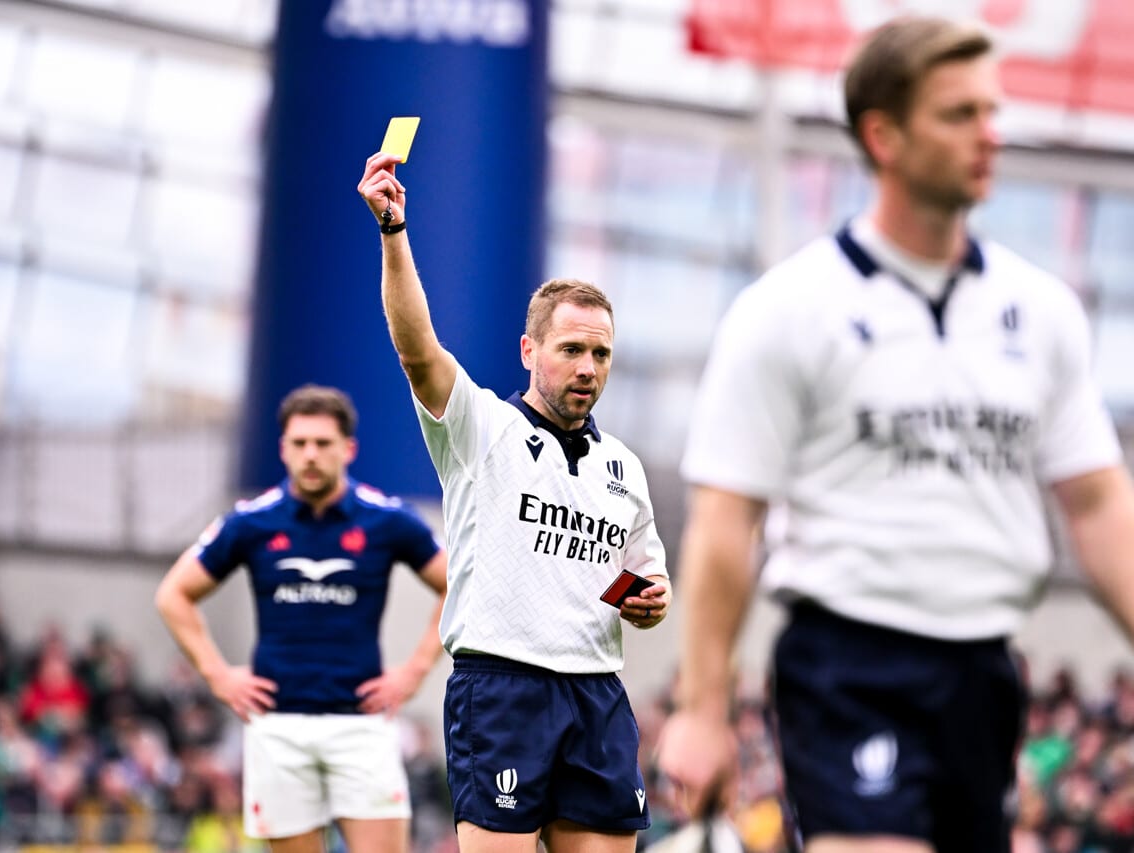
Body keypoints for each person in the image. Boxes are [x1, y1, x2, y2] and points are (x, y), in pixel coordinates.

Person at [657, 15, 1134, 853]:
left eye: (991, 110)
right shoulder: (788, 310)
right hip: (848, 666)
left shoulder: (1042, 312)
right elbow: (726, 521)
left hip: (986, 672)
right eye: (959, 114)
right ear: (884, 136)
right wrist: (703, 708)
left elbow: (1097, 506)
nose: (990, 134)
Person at [357, 151, 672, 853]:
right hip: (502, 689)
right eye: (571, 349)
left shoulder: (623, 466)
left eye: (601, 354)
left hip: (597, 694)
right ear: (529, 349)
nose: (588, 368)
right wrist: (393, 232)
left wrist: (654, 598)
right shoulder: (482, 428)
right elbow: (417, 349)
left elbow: (645, 575)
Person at [154, 384, 448, 853]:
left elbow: (456, 584)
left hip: (360, 723)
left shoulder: (387, 520)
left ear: (348, 449)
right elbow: (174, 594)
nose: (310, 454)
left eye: (323, 443)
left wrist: (413, 672)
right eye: (300, 443)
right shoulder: (251, 522)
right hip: (278, 727)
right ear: (283, 449)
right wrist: (217, 675)